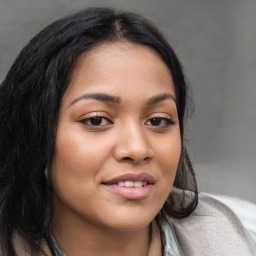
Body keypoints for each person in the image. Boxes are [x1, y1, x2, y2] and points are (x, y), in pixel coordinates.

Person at [0, 7, 255, 256]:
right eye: (97, 120)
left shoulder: (234, 238)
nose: (137, 148)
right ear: (33, 135)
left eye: (157, 121)